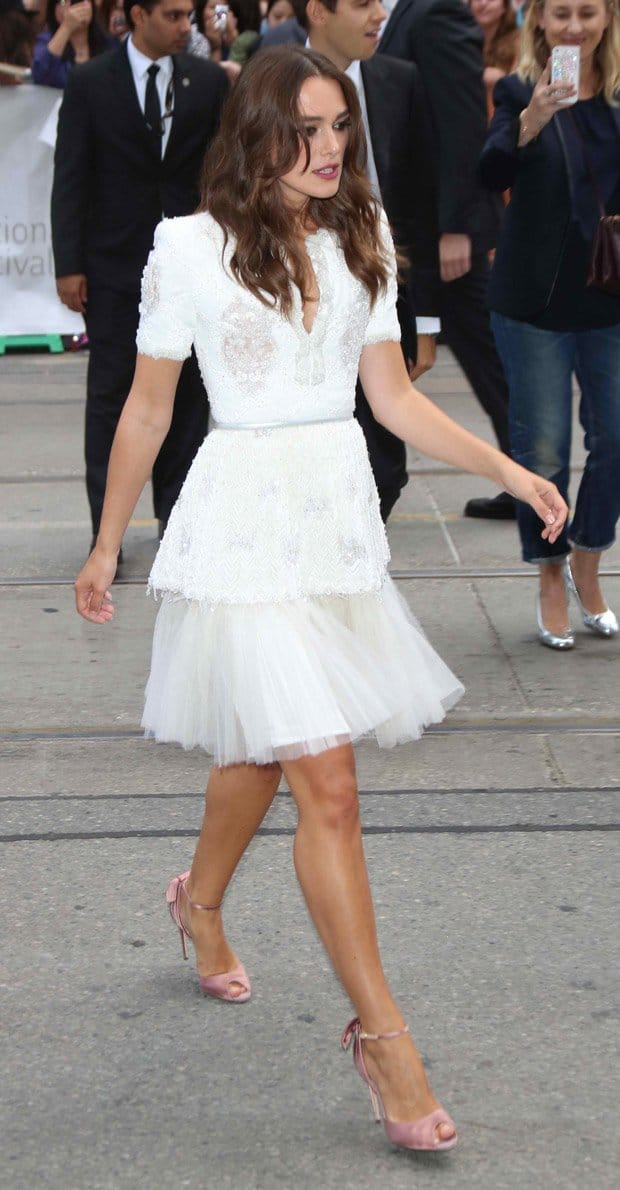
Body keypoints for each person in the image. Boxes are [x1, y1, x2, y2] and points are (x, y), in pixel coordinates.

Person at [75, 47, 567, 1151]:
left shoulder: (363, 241)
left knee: (264, 752)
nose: (332, 146)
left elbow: (389, 398)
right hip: (240, 527)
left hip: (332, 526)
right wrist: (110, 544)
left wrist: (509, 466)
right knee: (324, 774)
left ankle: (197, 900)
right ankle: (385, 1039)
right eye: (308, 127)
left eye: (338, 124)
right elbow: (150, 411)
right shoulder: (188, 250)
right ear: (257, 133)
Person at [52, 0, 228, 556]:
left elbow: (222, 174)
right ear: (137, 15)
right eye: (174, 16)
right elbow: (70, 174)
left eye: (190, 17)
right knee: (111, 396)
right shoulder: (90, 82)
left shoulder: (207, 82)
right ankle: (109, 535)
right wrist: (69, 264)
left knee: (189, 397)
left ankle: (178, 528)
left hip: (192, 268)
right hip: (112, 267)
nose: (186, 27)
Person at [259, 0, 442, 521]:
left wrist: (425, 321)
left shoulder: (401, 81)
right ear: (318, 10)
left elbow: (420, 202)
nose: (379, 14)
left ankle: (352, 550)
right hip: (297, 295)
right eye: (363, 3)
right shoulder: (271, 84)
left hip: (380, 290)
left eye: (340, 126)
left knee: (387, 466)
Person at [479, 0, 620, 649]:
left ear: (608, 18)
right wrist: (530, 120)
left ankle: (588, 560)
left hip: (608, 296)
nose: (573, 28)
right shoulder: (515, 89)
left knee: (615, 438)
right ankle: (548, 572)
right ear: (539, 21)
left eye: (587, 14)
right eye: (560, 14)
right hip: (534, 302)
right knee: (544, 452)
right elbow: (490, 172)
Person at [379, 0, 517, 521]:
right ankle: (528, 477)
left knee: (487, 356)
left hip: (442, 231)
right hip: (418, 224)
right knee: (483, 356)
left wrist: (458, 226)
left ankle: (532, 480)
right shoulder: (401, 13)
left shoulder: (436, 12)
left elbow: (462, 120)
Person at [32, 0, 114, 88]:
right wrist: (66, 27)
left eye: (78, 1)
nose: (72, 8)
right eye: (62, 1)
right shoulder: (46, 41)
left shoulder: (109, 43)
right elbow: (39, 75)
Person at [469, 0, 520, 114]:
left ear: (504, 6)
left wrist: (501, 78)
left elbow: (520, 86)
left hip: (505, 116)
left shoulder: (519, 41)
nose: (483, 3)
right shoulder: (461, 41)